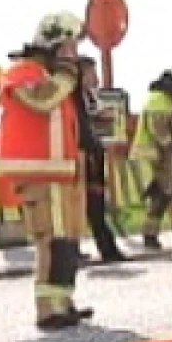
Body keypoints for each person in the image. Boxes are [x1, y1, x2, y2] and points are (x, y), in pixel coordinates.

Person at [0, 12, 93, 330]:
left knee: (67, 241)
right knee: (50, 241)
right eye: (69, 47)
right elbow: (42, 100)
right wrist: (66, 76)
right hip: (39, 173)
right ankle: (46, 310)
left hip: (61, 173)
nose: (74, 54)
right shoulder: (23, 72)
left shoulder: (55, 78)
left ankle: (63, 301)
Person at [132, 68, 172, 252]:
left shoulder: (164, 99)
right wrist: (171, 146)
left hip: (164, 154)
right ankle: (150, 234)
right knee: (162, 194)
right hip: (155, 155)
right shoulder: (159, 100)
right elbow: (158, 129)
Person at [75, 56, 128, 264]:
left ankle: (106, 249)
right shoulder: (75, 99)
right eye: (91, 73)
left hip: (95, 157)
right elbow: (81, 128)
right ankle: (107, 249)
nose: (95, 78)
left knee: (96, 206)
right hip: (84, 159)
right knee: (88, 207)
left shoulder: (90, 97)